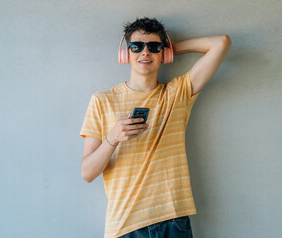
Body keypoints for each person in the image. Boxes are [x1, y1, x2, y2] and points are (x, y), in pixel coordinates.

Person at [79, 17, 231, 238]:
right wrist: (112, 139)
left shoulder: (177, 93)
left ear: (163, 52)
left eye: (153, 46)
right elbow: (87, 173)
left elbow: (221, 43)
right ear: (125, 53)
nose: (145, 52)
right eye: (136, 46)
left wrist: (173, 48)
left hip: (173, 220)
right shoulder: (102, 100)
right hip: (125, 225)